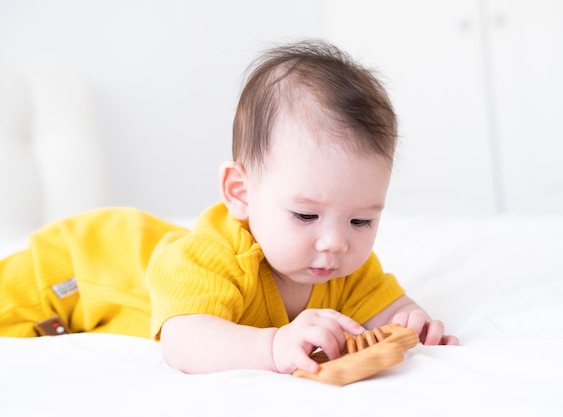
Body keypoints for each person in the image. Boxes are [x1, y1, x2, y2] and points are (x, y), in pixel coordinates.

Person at [0, 39, 458, 376]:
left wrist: (412, 323)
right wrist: (274, 345)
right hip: (75, 269)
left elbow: (386, 308)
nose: (336, 241)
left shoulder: (345, 265)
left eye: (362, 219)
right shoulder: (213, 257)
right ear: (240, 192)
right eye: (305, 215)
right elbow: (184, 342)